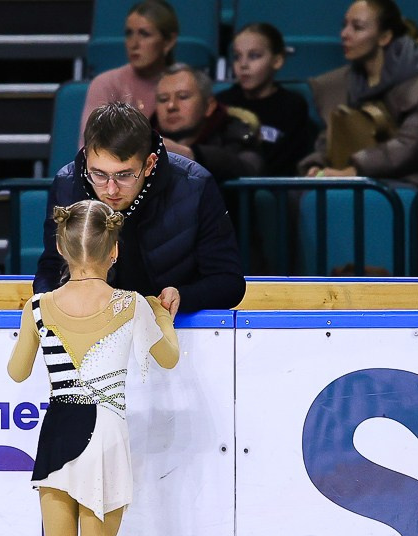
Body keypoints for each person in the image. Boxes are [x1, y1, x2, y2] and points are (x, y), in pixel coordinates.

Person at [8, 199, 180, 536]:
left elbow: (17, 372)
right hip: (103, 432)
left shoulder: (38, 305)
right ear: (115, 251)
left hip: (57, 430)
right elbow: (168, 357)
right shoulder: (130, 304)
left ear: (62, 248)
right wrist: (165, 317)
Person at [34, 102, 247, 316]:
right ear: (86, 159)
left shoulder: (196, 186)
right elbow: (52, 266)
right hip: (91, 326)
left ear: (149, 164)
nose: (110, 189)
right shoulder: (67, 184)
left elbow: (228, 282)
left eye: (124, 175)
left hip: (175, 330)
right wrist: (54, 305)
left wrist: (183, 295)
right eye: (98, 174)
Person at [297, 0, 418, 186]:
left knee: (366, 200)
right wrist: (318, 164)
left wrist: (355, 170)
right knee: (301, 196)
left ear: (384, 37)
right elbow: (333, 138)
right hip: (369, 177)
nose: (344, 34)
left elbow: (413, 146)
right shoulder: (344, 82)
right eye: (344, 26)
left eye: (357, 28)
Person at [216, 22, 314, 177]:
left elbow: (290, 164)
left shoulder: (292, 106)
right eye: (237, 57)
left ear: (277, 61)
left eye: (254, 56)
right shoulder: (222, 103)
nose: (243, 65)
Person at [79, 0, 179, 145]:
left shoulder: (184, 85)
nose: (134, 44)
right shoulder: (106, 84)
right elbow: (89, 148)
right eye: (129, 33)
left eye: (144, 34)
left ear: (168, 41)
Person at [153, 63, 264, 184]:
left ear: (209, 106)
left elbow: (250, 168)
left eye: (183, 97)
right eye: (163, 99)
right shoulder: (144, 136)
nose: (171, 106)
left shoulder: (235, 132)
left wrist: (191, 155)